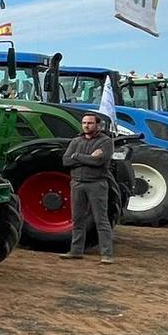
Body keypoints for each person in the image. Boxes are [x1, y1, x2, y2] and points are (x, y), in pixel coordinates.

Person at [62, 111, 117, 263]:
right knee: (77, 219)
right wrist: (88, 157)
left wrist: (76, 157)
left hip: (96, 184)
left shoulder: (105, 142)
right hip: (77, 183)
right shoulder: (76, 141)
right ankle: (76, 251)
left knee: (101, 220)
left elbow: (100, 161)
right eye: (84, 123)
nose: (86, 126)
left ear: (97, 125)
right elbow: (66, 161)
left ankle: (106, 255)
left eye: (90, 123)